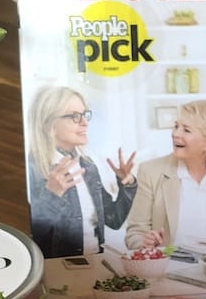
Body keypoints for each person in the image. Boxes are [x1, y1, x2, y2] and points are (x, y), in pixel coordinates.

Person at [124, 99, 206, 250]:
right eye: (176, 126)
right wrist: (144, 242)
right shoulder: (150, 172)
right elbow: (135, 233)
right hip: (171, 267)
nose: (175, 134)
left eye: (186, 130)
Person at [26, 85, 137, 258]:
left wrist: (127, 183)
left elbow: (113, 220)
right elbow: (33, 237)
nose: (85, 122)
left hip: (95, 262)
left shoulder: (88, 166)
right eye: (74, 117)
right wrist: (52, 194)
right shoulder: (32, 168)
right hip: (57, 269)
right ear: (48, 125)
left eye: (84, 115)